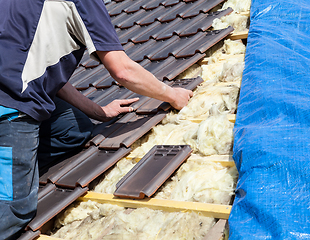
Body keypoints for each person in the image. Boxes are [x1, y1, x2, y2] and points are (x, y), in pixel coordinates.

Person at [0, 0, 193, 239]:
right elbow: (122, 70)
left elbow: (47, 73)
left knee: (74, 128)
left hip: (14, 91)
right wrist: (173, 95)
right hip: (9, 108)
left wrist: (97, 111)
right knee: (13, 210)